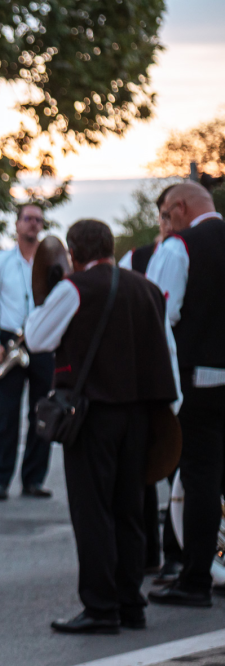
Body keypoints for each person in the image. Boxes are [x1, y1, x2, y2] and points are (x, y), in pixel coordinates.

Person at [25, 219, 179, 634]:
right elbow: (164, 347)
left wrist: (52, 288)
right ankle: (132, 603)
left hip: (93, 414)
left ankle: (100, 606)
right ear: (110, 247)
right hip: (142, 413)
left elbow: (36, 337)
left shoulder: (74, 288)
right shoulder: (145, 287)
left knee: (93, 512)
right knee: (129, 510)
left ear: (73, 253)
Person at [146, 181, 225, 608]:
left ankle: (196, 578)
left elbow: (158, 315)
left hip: (199, 382)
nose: (164, 223)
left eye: (164, 214)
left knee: (199, 480)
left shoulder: (180, 246)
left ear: (178, 208)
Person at [118, 183, 181, 579]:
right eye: (164, 215)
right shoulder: (136, 257)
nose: (168, 222)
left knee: (181, 467)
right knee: (142, 468)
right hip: (141, 376)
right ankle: (149, 554)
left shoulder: (185, 253)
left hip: (177, 374)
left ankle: (181, 550)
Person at [0, 203, 54, 501]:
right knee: (7, 415)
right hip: (11, 342)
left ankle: (33, 479)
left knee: (43, 413)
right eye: (28, 219)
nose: (33, 224)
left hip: (43, 341)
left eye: (38, 220)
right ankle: (0, 480)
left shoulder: (50, 263)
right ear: (17, 225)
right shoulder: (0, 262)